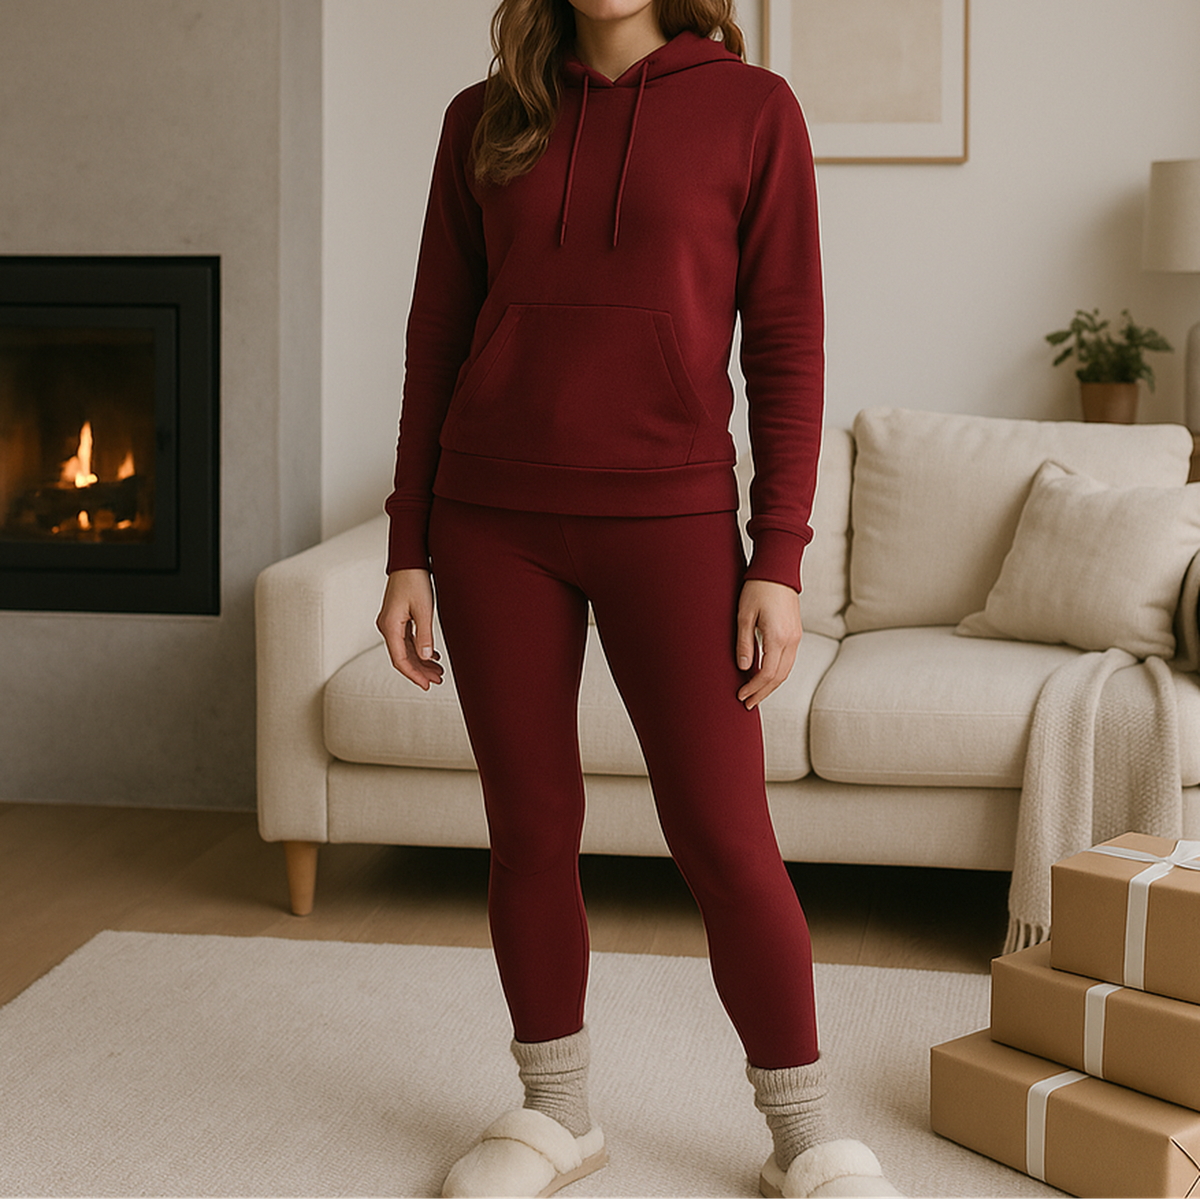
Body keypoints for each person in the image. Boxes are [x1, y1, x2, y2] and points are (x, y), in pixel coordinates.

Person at [377, 1, 898, 1196]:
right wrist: (409, 544)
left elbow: (787, 343)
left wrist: (778, 557)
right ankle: (556, 1115)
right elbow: (434, 337)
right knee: (529, 828)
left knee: (723, 837)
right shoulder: (484, 119)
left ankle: (806, 1130)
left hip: (672, 522)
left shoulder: (753, 111)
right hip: (491, 521)